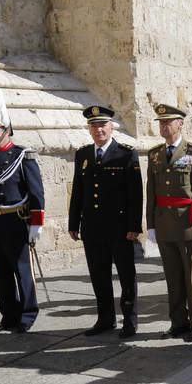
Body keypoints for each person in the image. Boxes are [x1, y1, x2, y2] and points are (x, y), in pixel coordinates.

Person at [0, 87, 45, 334]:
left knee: (21, 271)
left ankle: (27, 316)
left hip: (15, 221)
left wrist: (36, 223)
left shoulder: (22, 156)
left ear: (6, 129)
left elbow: (36, 192)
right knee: (0, 274)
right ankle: (8, 316)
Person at [69, 106, 143, 338]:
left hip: (119, 227)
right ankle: (105, 318)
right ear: (89, 129)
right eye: (93, 125)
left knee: (125, 275)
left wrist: (133, 227)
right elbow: (78, 191)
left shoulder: (125, 153)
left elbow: (135, 194)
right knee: (98, 274)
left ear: (111, 127)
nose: (98, 129)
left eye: (102, 125)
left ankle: (130, 321)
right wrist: (73, 222)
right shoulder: (83, 155)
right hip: (92, 227)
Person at [146, 104, 192, 343]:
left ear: (180, 124)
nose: (164, 126)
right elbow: (151, 193)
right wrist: (151, 224)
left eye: (169, 122)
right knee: (173, 278)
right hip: (164, 224)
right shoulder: (154, 154)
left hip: (189, 224)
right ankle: (178, 322)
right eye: (161, 122)